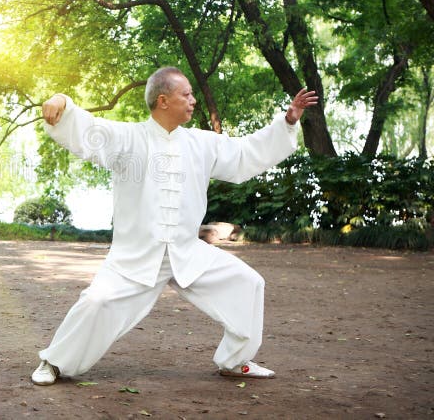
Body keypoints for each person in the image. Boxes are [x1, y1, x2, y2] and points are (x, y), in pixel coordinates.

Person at [31, 66, 318, 385]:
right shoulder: (127, 139)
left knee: (248, 283)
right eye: (187, 94)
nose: (194, 100)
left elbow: (245, 154)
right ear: (163, 100)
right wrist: (61, 104)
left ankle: (235, 361)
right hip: (134, 257)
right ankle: (53, 362)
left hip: (188, 253)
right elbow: (88, 129)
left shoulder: (204, 143)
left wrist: (289, 121)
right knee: (96, 301)